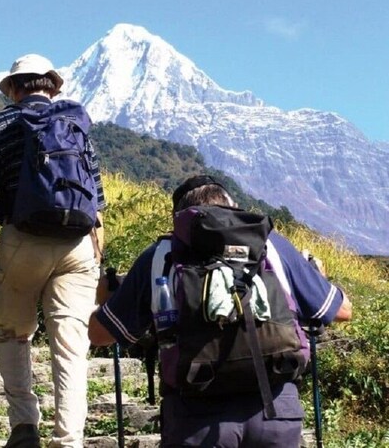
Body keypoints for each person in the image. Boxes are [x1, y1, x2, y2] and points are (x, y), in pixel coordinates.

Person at [88, 175, 353, 448]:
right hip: (276, 410)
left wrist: (105, 298)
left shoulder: (162, 254)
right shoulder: (271, 245)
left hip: (195, 417)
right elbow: (341, 311)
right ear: (232, 205)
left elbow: (99, 335)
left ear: (179, 220)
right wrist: (316, 275)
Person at [0, 54, 106, 448]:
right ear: (51, 86)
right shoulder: (75, 124)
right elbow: (97, 206)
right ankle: (70, 440)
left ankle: (25, 425)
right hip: (77, 244)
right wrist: (95, 259)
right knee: (70, 344)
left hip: (21, 239)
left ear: (13, 88)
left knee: (13, 333)